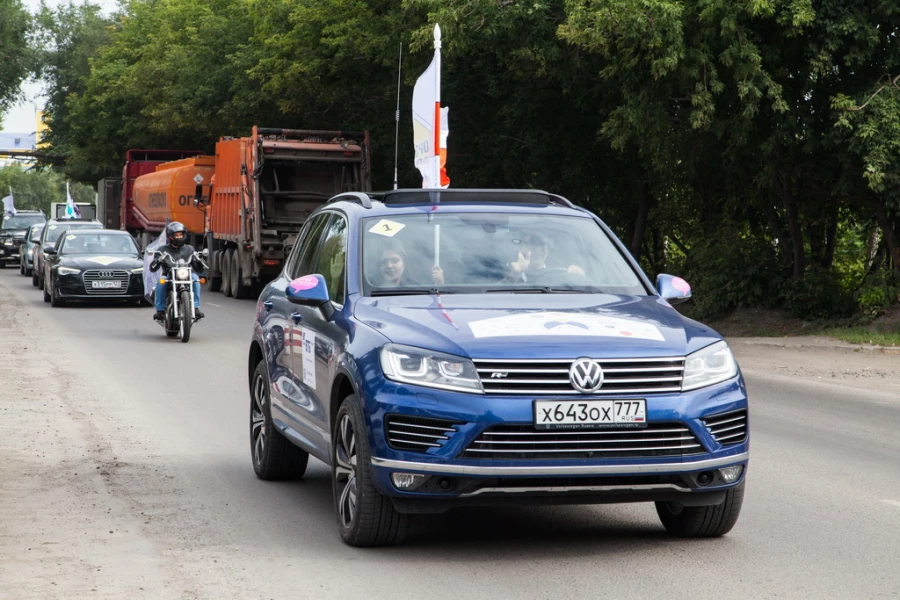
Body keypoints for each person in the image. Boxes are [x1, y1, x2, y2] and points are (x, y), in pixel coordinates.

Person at [150, 222, 205, 321]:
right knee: (161, 282)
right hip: (169, 275)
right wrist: (157, 260)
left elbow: (198, 269)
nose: (179, 237)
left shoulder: (189, 249)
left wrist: (200, 261)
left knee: (196, 278)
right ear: (170, 236)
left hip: (185, 275)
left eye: (181, 234)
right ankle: (160, 310)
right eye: (176, 235)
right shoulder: (162, 249)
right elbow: (153, 268)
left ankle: (196, 307)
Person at [503, 231, 585, 283]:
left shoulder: (561, 272)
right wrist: (514, 275)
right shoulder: (500, 268)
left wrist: (580, 278)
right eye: (533, 243)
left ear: (548, 249)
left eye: (542, 244)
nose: (538, 249)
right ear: (521, 247)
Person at [374, 238, 444, 287]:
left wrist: (440, 284)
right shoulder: (367, 290)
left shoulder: (417, 291)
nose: (389, 265)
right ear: (379, 266)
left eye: (395, 260)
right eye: (384, 261)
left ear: (404, 264)